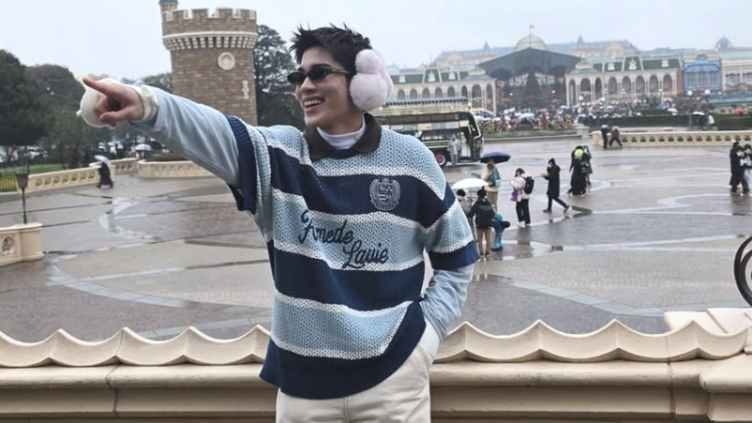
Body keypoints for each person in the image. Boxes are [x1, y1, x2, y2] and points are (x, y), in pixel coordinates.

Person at [79, 25, 478, 422]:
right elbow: (213, 130)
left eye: (319, 73)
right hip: (304, 390)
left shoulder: (411, 159)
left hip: (395, 382)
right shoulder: (278, 156)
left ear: (363, 83)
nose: (305, 86)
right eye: (298, 77)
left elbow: (458, 256)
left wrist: (426, 334)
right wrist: (148, 104)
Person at [468, 188, 495, 257]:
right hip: (488, 224)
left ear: (478, 195)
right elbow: (493, 214)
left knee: (479, 239)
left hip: (479, 224)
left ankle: (481, 253)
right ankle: (488, 252)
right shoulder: (488, 202)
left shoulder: (477, 203)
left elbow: (471, 213)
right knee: (488, 238)